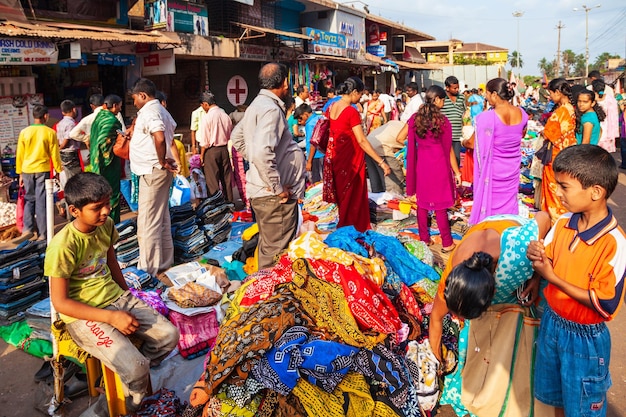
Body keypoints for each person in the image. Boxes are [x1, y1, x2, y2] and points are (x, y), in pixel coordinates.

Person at [46, 172, 179, 413]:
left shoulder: (105, 225)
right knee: (136, 367)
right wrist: (110, 317)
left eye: (108, 203)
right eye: (97, 207)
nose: (106, 211)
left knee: (169, 336)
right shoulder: (63, 246)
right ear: (75, 210)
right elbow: (60, 302)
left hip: (116, 297)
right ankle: (123, 405)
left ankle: (130, 372)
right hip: (84, 315)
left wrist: (129, 296)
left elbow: (112, 262)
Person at [527, 144, 625, 417]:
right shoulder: (563, 224)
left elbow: (604, 303)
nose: (557, 193)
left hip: (585, 340)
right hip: (553, 323)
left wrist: (552, 277)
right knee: (558, 398)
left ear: (595, 192)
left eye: (564, 187)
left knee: (583, 407)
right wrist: (537, 270)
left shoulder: (614, 243)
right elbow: (546, 257)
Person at [428, 212, 551, 412]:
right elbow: (435, 318)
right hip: (485, 234)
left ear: (493, 292)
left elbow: (544, 218)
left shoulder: (518, 251)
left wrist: (536, 275)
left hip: (511, 228)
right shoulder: (453, 275)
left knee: (526, 316)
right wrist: (437, 361)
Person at [230, 63, 306, 269]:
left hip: (264, 193)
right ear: (283, 83)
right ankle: (266, 298)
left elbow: (238, 138)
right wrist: (278, 187)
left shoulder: (257, 104)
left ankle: (263, 294)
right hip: (274, 198)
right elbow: (262, 152)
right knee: (275, 258)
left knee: (269, 249)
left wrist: (256, 160)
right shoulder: (271, 109)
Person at [397, 85, 461, 251]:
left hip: (422, 166)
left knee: (422, 204)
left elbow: (399, 138)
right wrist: (457, 172)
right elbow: (448, 151)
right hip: (439, 165)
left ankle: (424, 239)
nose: (444, 103)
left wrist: (415, 145)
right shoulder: (443, 121)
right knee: (440, 206)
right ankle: (447, 243)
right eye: (443, 99)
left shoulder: (415, 119)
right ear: (438, 99)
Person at [323, 76, 390, 232]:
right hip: (350, 160)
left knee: (344, 197)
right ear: (353, 92)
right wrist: (381, 162)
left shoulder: (332, 106)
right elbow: (362, 140)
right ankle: (353, 229)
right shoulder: (351, 112)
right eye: (360, 94)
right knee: (353, 198)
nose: (361, 98)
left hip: (336, 158)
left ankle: (345, 227)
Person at [129, 78, 178, 277]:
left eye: (134, 99)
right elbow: (167, 136)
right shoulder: (161, 111)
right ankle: (165, 263)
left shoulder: (150, 111)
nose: (133, 103)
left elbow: (159, 136)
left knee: (147, 223)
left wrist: (161, 160)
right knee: (161, 219)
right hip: (157, 170)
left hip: (152, 170)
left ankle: (147, 270)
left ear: (142, 95)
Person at [462, 78, 528, 225]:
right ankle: (507, 232)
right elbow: (521, 135)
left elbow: (472, 143)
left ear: (493, 94)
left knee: (491, 208)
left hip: (493, 170)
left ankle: (491, 237)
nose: (485, 97)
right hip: (512, 168)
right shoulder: (522, 114)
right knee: (509, 204)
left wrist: (463, 142)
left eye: (486, 93)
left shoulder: (487, 117)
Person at [16, 105, 63, 241]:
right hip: (42, 169)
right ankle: (43, 234)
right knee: (41, 201)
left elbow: (20, 154)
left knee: (29, 199)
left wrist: (19, 174)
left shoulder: (24, 132)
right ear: (46, 116)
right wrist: (58, 170)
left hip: (26, 170)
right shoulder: (50, 133)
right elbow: (55, 154)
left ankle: (28, 229)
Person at [541, 78, 577, 222]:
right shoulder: (570, 109)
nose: (550, 97)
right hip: (567, 153)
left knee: (554, 190)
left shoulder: (561, 111)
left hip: (556, 155)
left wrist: (543, 132)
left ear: (558, 92)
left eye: (551, 93)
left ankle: (556, 220)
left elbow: (550, 133)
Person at [90, 94, 123, 223]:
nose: (120, 109)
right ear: (114, 106)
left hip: (95, 162)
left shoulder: (98, 118)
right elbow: (103, 142)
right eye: (119, 106)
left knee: (100, 193)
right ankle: (112, 224)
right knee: (111, 194)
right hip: (108, 164)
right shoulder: (112, 121)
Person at [198, 91, 233, 203]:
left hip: (211, 151)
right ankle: (229, 204)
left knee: (212, 181)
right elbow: (229, 134)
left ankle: (217, 206)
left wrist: (202, 156)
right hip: (224, 149)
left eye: (202, 105)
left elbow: (204, 141)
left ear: (205, 104)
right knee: (226, 179)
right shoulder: (225, 115)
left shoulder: (207, 118)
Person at [365, 120, 405, 194]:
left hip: (368, 146)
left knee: (377, 184)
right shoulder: (411, 128)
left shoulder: (395, 122)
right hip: (383, 148)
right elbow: (400, 141)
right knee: (394, 186)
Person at [440, 76, 466, 164]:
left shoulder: (461, 97)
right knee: (445, 160)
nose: (457, 90)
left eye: (458, 88)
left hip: (457, 135)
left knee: (456, 159)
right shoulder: (441, 98)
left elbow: (464, 114)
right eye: (454, 88)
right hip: (444, 135)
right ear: (447, 88)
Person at [591, 79, 619, 153]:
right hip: (608, 131)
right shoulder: (611, 99)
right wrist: (614, 133)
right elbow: (614, 118)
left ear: (593, 88)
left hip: (595, 130)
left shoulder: (591, 100)